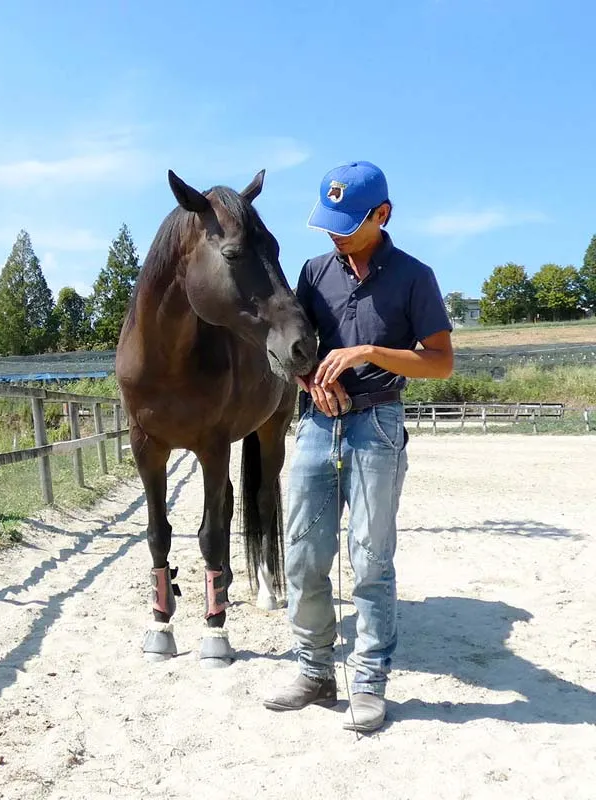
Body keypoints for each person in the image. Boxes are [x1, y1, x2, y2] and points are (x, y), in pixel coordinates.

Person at [263, 160, 454, 732]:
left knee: (370, 558)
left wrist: (368, 352)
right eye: (329, 222)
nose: (335, 233)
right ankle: (315, 671)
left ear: (384, 214)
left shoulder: (414, 277)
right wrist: (308, 384)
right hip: (317, 426)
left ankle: (368, 681)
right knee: (302, 552)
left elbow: (441, 362)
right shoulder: (313, 271)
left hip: (377, 426)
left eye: (347, 222)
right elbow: (291, 348)